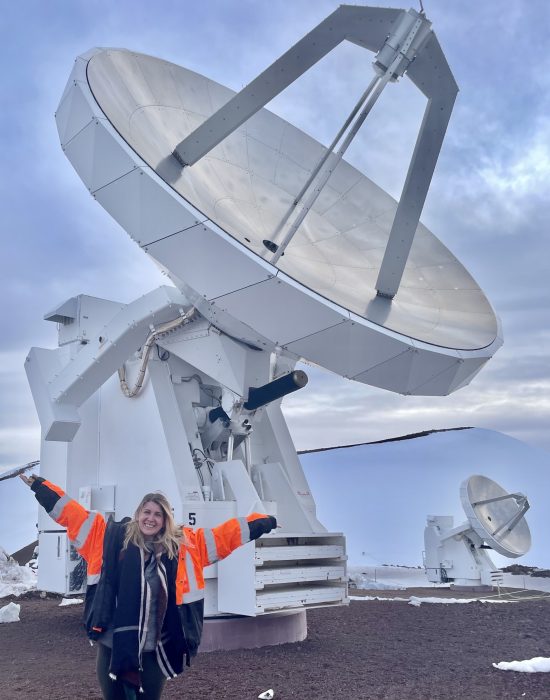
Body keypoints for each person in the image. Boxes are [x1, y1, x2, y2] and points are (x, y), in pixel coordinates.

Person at [20, 474, 277, 700]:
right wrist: (42, 488)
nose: (151, 519)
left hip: (156, 648)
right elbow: (73, 516)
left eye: (158, 514)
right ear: (138, 514)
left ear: (166, 519)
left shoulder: (186, 546)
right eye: (147, 512)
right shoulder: (108, 538)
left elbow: (225, 537)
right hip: (113, 644)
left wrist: (260, 523)